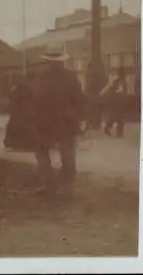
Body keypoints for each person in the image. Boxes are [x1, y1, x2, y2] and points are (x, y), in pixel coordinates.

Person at [33, 45, 85, 199]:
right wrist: (78, 118)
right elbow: (80, 100)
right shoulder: (71, 77)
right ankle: (66, 188)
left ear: (48, 61)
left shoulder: (43, 78)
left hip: (47, 122)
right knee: (68, 155)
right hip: (66, 122)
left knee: (41, 152)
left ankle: (50, 185)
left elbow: (37, 100)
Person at [4, 77, 35, 150]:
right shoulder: (27, 89)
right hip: (23, 111)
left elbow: (11, 98)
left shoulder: (16, 89)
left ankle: (15, 143)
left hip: (20, 112)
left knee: (15, 126)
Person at [100, 67, 128, 137]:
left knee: (116, 117)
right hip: (117, 101)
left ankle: (108, 129)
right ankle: (118, 133)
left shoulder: (120, 81)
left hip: (118, 101)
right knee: (119, 117)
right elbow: (116, 91)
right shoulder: (119, 81)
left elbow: (122, 91)